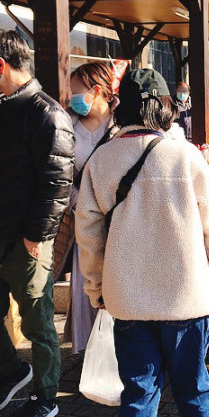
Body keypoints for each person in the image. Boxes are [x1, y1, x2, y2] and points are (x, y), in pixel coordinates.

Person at [75, 74, 209, 417]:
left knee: (139, 389)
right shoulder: (185, 156)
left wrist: (95, 288)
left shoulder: (101, 160)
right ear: (166, 106)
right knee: (193, 384)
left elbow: (89, 235)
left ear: (123, 105)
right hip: (185, 299)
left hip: (127, 299)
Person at [0, 30, 75, 417]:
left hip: (24, 242)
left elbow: (58, 181)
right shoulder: (0, 108)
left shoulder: (47, 113)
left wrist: (35, 237)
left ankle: (46, 398)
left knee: (38, 325)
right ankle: (12, 373)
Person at [65, 61, 119, 354]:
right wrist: (78, 202)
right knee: (88, 282)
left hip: (118, 219)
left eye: (77, 90)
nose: (73, 96)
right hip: (81, 218)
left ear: (97, 91)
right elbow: (58, 172)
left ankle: (119, 349)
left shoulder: (121, 123)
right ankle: (92, 351)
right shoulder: (66, 124)